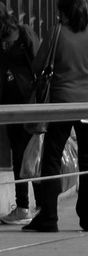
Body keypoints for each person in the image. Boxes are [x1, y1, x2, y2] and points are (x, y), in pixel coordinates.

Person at [23, 0, 88, 233]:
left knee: (51, 158)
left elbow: (38, 65)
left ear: (65, 13)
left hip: (62, 103)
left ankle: (49, 216)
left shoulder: (57, 33)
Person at [0, 12, 40, 224]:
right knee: (24, 155)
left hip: (25, 103)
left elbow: (40, 65)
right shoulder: (15, 35)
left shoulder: (23, 34)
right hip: (13, 104)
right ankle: (31, 204)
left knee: (25, 156)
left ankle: (26, 205)